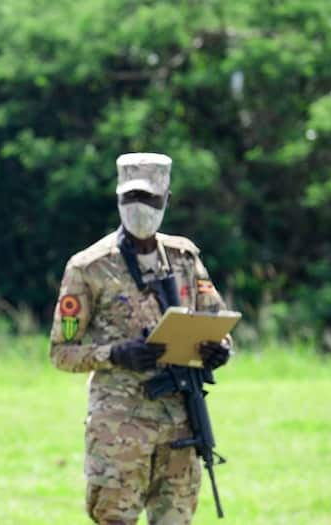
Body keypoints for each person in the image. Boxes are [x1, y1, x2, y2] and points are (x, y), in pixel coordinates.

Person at [49, 153, 233, 525]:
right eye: (129, 200)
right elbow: (61, 353)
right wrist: (116, 354)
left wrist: (218, 351)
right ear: (117, 200)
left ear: (167, 199)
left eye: (148, 199)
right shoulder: (88, 267)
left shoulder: (184, 257)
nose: (139, 209)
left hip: (181, 423)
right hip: (120, 431)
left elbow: (217, 321)